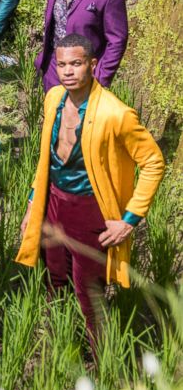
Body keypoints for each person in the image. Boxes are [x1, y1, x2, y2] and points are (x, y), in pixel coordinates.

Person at [16, 34, 165, 346]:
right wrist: (34, 203)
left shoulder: (116, 113)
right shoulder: (54, 98)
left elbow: (153, 161)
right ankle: (60, 344)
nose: (68, 71)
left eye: (77, 63)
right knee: (54, 276)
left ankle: (102, 363)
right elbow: (46, 159)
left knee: (88, 290)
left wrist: (129, 219)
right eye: (62, 64)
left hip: (91, 210)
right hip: (54, 201)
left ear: (93, 65)